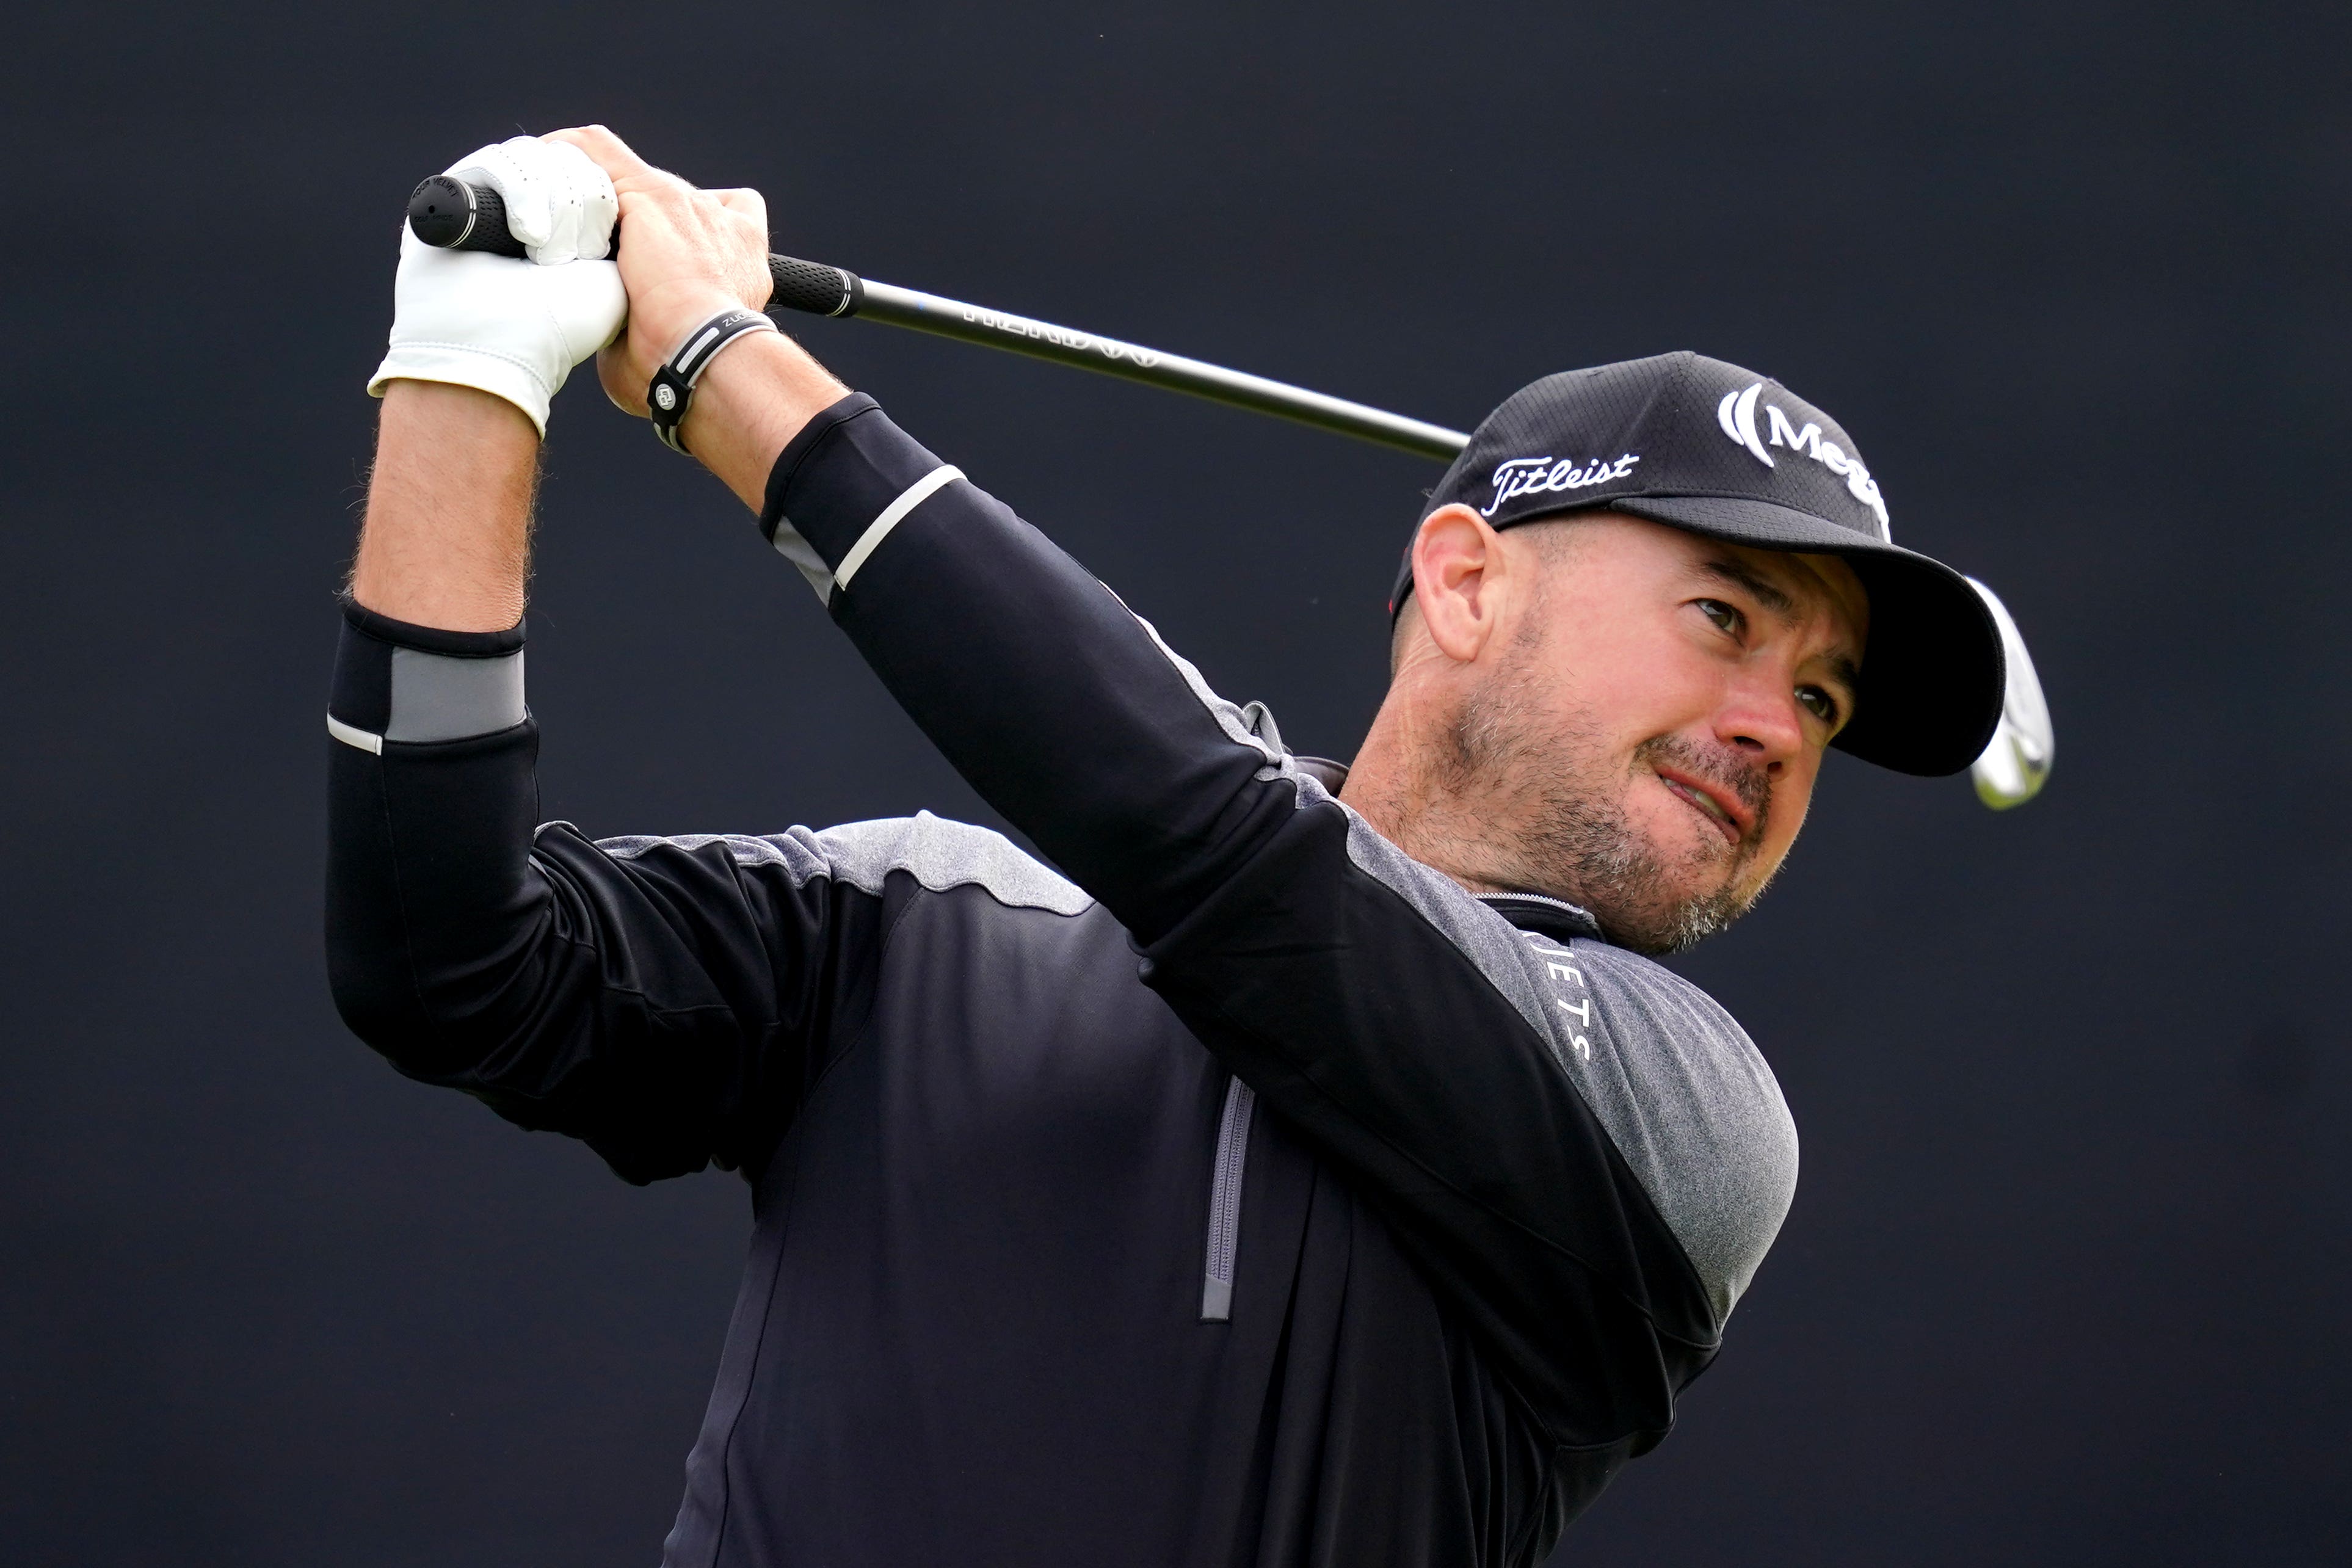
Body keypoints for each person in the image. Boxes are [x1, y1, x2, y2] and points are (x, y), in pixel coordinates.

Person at [326, 128, 2003, 1567]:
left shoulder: (1680, 1118)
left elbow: (1211, 839)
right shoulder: (920, 921)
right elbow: (452, 965)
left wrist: (718, 367)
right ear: (1468, 582)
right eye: (1724, 617)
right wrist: (470, 370)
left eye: (1822, 699)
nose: (1775, 723)